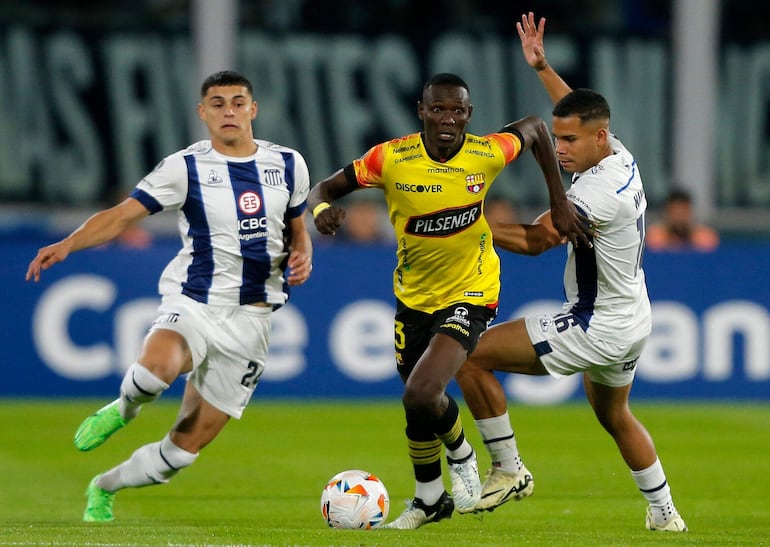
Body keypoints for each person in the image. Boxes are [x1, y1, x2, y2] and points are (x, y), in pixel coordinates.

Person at [25, 70, 313, 522]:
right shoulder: (185, 167)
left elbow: (296, 226)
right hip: (195, 301)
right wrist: (68, 243)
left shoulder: (289, 164)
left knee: (182, 450)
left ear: (254, 109)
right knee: (157, 370)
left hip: (252, 322)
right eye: (217, 104)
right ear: (202, 113)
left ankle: (103, 487)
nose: (229, 111)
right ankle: (123, 409)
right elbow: (122, 216)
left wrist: (303, 253)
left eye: (238, 102)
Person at [308, 72, 590, 529]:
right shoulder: (391, 158)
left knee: (424, 390)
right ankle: (429, 500)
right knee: (416, 405)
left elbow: (538, 127)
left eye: (457, 110)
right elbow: (324, 189)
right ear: (421, 111)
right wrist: (321, 210)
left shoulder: (486, 152)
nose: (447, 119)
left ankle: (462, 456)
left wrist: (558, 201)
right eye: (437, 109)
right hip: (414, 297)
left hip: (472, 290)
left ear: (468, 115)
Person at [454, 12, 688, 532]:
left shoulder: (593, 194)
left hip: (596, 323)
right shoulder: (619, 157)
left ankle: (508, 469)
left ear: (599, 139)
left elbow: (538, 240)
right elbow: (577, 113)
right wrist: (542, 67)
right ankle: (665, 514)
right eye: (556, 139)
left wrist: (460, 222)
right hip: (633, 317)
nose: (559, 150)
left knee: (467, 355)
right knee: (614, 415)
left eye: (569, 143)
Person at [646, 188, 719, 251]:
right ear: (668, 212)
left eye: (683, 211)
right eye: (676, 213)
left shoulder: (703, 237)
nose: (680, 217)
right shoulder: (656, 236)